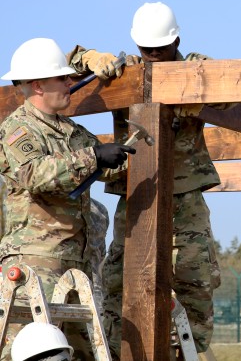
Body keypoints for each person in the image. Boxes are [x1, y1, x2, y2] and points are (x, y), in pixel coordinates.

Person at [68, 2, 231, 360]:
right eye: (148, 50)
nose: (154, 56)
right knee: (119, 277)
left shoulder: (196, 68)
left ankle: (191, 350)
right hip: (137, 193)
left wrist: (198, 88)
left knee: (194, 275)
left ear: (177, 41)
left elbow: (231, 94)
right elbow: (61, 67)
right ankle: (120, 350)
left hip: (184, 195)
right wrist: (92, 58)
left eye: (161, 49)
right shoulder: (125, 71)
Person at [0, 38, 135, 360]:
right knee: (30, 348)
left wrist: (126, 153)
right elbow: (36, 175)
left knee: (80, 351)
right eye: (61, 78)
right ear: (37, 85)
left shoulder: (71, 132)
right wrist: (94, 156)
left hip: (78, 262)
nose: (69, 83)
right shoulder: (19, 130)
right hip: (37, 260)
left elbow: (108, 167)